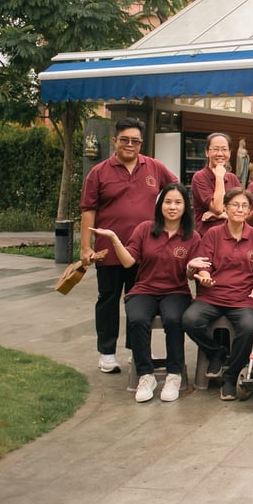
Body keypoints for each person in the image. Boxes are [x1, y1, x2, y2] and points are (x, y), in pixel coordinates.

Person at [80, 117, 177, 373]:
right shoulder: (98, 172)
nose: (130, 145)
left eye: (135, 141)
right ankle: (107, 352)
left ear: (141, 143)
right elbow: (88, 210)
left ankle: (138, 350)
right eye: (124, 140)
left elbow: (175, 191)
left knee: (141, 303)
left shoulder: (154, 167)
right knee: (108, 300)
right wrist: (85, 247)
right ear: (115, 141)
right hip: (108, 251)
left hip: (145, 253)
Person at [90, 182, 199, 402]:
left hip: (176, 291)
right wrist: (114, 239)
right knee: (138, 319)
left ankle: (174, 374)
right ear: (159, 205)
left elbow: (190, 275)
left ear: (185, 207)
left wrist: (191, 268)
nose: (172, 207)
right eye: (168, 202)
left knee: (173, 319)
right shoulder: (144, 229)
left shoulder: (192, 236)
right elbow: (128, 262)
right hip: (144, 289)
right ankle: (145, 375)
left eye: (178, 202)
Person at [182, 187, 253, 400]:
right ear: (226, 208)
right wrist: (204, 277)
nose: (240, 209)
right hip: (212, 294)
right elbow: (204, 264)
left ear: (249, 210)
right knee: (190, 319)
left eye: (244, 206)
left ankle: (231, 375)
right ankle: (216, 352)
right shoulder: (213, 234)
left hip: (243, 297)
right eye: (235, 205)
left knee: (249, 327)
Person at [190, 133, 241, 235]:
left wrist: (221, 215)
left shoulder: (232, 178)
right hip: (208, 236)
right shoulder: (199, 177)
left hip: (232, 235)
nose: (220, 153)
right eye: (215, 149)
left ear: (229, 153)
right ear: (207, 152)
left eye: (224, 149)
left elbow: (240, 210)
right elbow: (218, 208)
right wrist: (219, 177)